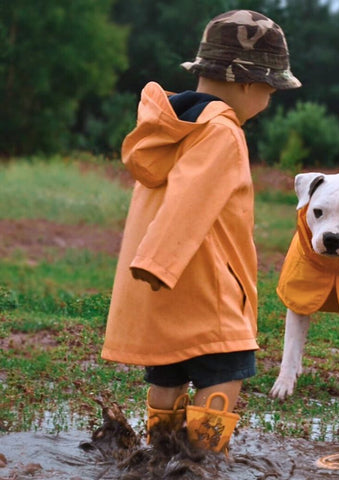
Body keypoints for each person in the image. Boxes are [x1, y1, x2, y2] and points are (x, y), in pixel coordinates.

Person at [101, 9, 301, 453]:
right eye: (270, 90)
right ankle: (200, 459)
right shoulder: (222, 132)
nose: (268, 101)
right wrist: (158, 262)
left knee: (167, 370)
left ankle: (158, 453)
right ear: (249, 84)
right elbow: (188, 201)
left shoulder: (172, 127)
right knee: (227, 364)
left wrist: (155, 267)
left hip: (161, 292)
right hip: (202, 286)